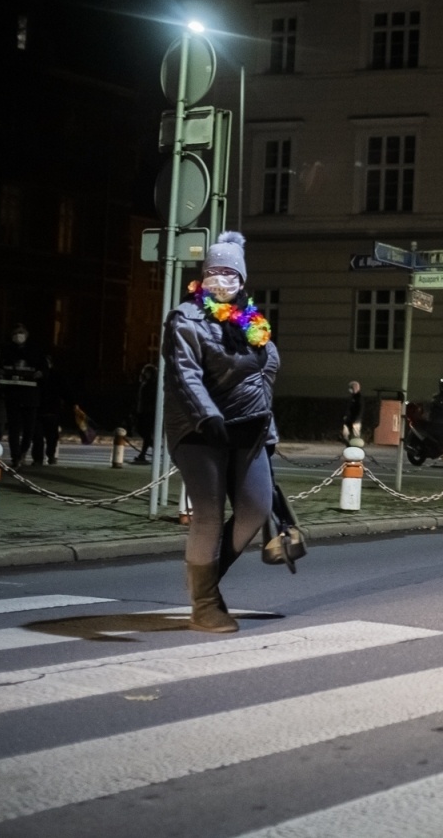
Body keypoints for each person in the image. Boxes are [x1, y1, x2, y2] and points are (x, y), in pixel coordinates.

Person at [164, 231, 279, 633]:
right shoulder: (185, 318)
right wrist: (206, 416)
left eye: (230, 273)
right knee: (209, 514)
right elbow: (184, 375)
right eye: (214, 272)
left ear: (242, 278)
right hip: (199, 430)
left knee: (256, 507)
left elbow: (262, 382)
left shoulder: (252, 321)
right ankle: (205, 605)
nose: (221, 279)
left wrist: (269, 434)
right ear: (203, 276)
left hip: (248, 430)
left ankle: (204, 580)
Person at [0, 324, 46, 467]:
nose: (18, 336)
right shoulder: (7, 350)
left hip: (30, 395)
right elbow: (0, 367)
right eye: (15, 333)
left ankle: (23, 451)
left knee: (29, 428)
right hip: (13, 394)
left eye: (21, 333)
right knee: (14, 428)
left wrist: (40, 373)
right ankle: (15, 456)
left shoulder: (35, 350)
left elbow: (43, 368)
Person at [134, 363, 158, 464]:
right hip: (142, 411)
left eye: (147, 372)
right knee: (141, 431)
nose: (145, 373)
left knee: (146, 433)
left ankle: (143, 454)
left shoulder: (153, 384)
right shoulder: (144, 383)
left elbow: (150, 399)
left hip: (149, 412)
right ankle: (153, 445)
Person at [342, 380, 365, 446]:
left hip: (356, 419)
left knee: (355, 435)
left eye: (351, 388)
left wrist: (358, 418)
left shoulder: (359, 398)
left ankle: (355, 447)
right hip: (349, 419)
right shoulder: (352, 397)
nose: (350, 390)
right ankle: (349, 445)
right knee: (345, 434)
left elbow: (360, 409)